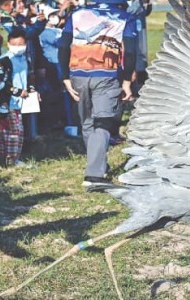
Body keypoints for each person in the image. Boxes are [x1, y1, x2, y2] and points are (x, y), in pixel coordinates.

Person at [59, 0, 137, 187]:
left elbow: (63, 46)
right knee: (102, 121)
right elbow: (132, 51)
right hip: (107, 75)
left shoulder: (76, 14)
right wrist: (127, 81)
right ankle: (94, 175)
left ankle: (98, 164)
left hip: (77, 73)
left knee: (87, 122)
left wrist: (65, 77)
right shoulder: (125, 18)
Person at [0, 29, 36, 166]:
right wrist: (16, 91)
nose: (18, 47)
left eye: (21, 44)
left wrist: (32, 91)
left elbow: (30, 78)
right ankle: (12, 159)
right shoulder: (3, 61)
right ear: (8, 44)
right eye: (14, 44)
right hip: (6, 101)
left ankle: (6, 159)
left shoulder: (26, 59)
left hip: (21, 101)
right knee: (15, 130)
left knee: (8, 130)